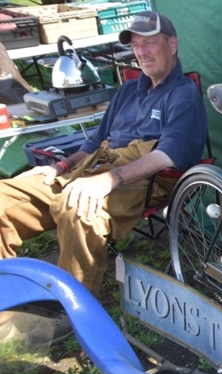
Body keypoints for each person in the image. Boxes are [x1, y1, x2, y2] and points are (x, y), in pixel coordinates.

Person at [0, 11, 208, 344]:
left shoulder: (183, 94)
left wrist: (109, 180)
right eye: (135, 45)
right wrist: (60, 167)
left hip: (146, 177)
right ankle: (7, 308)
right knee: (4, 198)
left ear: (172, 44)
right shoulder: (128, 90)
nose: (141, 52)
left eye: (149, 43)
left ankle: (71, 308)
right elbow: (93, 143)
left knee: (78, 209)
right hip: (93, 167)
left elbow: (171, 154)